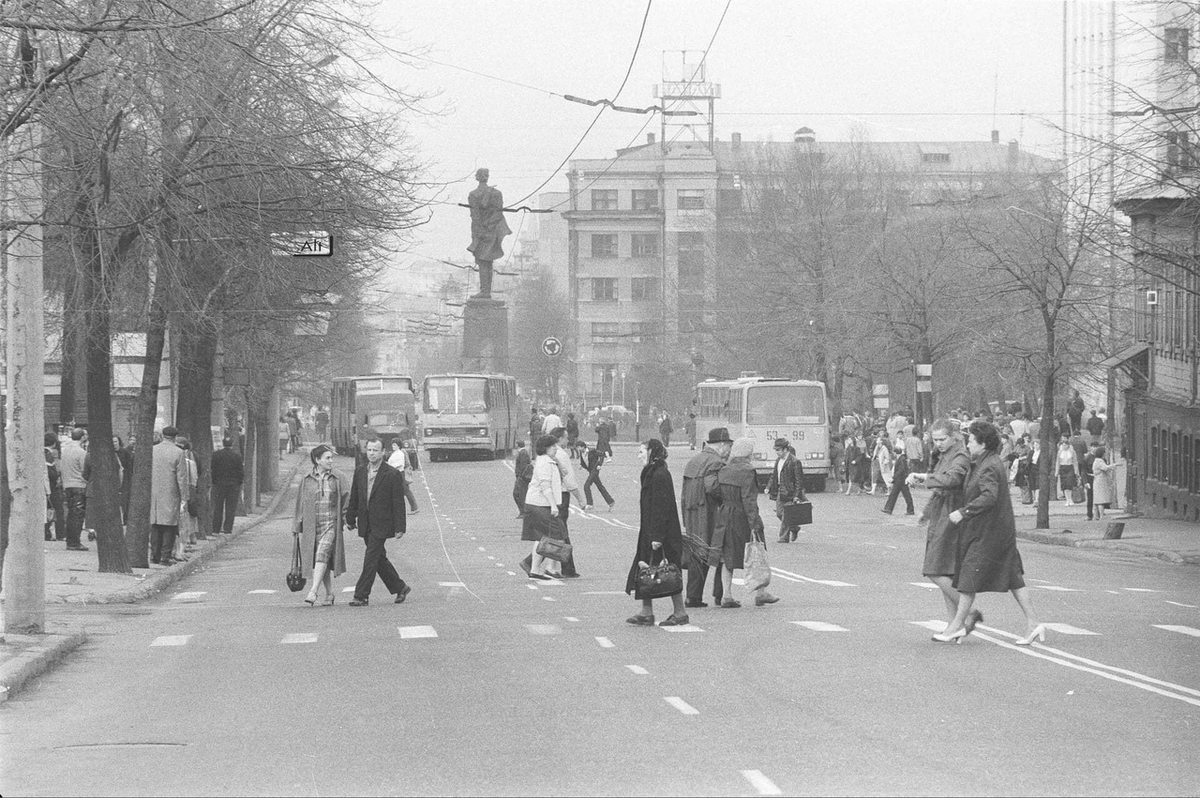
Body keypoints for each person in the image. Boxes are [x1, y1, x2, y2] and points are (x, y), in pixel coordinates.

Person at [935, 420, 1043, 645]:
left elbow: (989, 496)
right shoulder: (986, 462)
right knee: (1014, 578)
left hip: (989, 532)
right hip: (997, 530)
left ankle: (957, 626)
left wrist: (963, 512)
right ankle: (1034, 623)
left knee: (967, 579)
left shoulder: (989, 465)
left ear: (983, 443)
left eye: (972, 441)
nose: (968, 445)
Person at [906, 419, 971, 627]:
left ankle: (969, 613)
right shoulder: (943, 454)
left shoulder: (960, 455)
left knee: (934, 569)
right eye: (935, 440)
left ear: (953, 436)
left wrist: (925, 477)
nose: (939, 443)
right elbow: (939, 487)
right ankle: (954, 624)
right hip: (942, 511)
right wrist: (926, 512)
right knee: (945, 571)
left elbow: (952, 479)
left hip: (952, 514)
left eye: (942, 439)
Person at [625, 438, 690, 627]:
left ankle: (680, 612)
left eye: (641, 452)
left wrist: (657, 537)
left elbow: (662, 507)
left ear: (652, 452)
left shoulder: (659, 474)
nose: (638, 456)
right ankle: (646, 612)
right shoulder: (652, 472)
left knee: (669, 571)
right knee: (646, 569)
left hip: (661, 533)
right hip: (650, 530)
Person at [712, 437, 778, 608]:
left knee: (727, 555)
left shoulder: (724, 469)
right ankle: (761, 593)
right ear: (748, 452)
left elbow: (716, 492)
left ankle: (727, 595)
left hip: (725, 514)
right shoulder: (747, 471)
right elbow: (749, 499)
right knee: (757, 551)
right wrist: (754, 523)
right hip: (742, 516)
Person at [346, 438, 412, 607]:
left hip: (382, 523)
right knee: (378, 558)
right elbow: (355, 496)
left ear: (383, 452)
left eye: (376, 450)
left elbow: (398, 502)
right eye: (369, 450)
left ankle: (361, 595)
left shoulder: (391, 474)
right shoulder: (360, 471)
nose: (372, 453)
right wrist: (350, 517)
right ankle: (400, 587)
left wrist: (400, 527)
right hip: (365, 522)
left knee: (370, 558)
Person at [681, 427, 732, 609]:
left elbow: (684, 494)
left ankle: (693, 596)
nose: (729, 451)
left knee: (697, 553)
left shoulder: (693, 461)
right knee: (720, 550)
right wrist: (726, 498)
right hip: (709, 514)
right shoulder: (715, 462)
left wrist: (685, 518)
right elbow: (713, 487)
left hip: (691, 513)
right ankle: (720, 595)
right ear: (721, 445)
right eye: (728, 446)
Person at [293, 444, 349, 606]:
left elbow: (346, 499)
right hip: (312, 526)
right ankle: (330, 593)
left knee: (322, 555)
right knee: (321, 558)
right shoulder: (307, 479)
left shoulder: (338, 478)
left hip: (331, 524)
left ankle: (313, 591)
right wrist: (296, 525)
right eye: (327, 458)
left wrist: (347, 519)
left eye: (332, 457)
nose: (331, 461)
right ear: (317, 460)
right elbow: (300, 503)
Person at [466, 167, 512, 299]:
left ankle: (485, 291)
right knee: (488, 261)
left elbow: (474, 217)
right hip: (493, 231)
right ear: (487, 177)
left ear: (477, 177)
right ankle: (486, 291)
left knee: (482, 261)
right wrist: (489, 226)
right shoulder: (496, 193)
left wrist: (478, 234)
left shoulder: (473, 194)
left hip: (481, 231)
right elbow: (498, 213)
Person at [522, 434, 564, 580]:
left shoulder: (546, 461)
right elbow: (545, 487)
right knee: (552, 536)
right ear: (545, 448)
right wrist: (554, 506)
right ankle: (542, 568)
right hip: (540, 504)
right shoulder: (545, 463)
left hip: (537, 503)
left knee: (540, 538)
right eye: (553, 446)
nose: (556, 448)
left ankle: (536, 570)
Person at [150, 426, 190, 566]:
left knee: (155, 524)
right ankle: (165, 557)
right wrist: (184, 497)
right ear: (175, 437)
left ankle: (154, 555)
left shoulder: (153, 450)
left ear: (163, 435)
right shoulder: (178, 452)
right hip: (171, 492)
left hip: (154, 493)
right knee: (170, 526)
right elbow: (182, 478)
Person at [550, 427, 586, 577]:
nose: (568, 440)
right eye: (565, 438)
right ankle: (567, 568)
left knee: (557, 532)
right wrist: (581, 499)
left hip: (551, 496)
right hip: (562, 496)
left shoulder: (548, 453)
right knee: (562, 533)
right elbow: (569, 481)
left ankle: (567, 567)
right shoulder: (562, 455)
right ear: (559, 439)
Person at [767, 438, 806, 544]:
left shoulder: (794, 461)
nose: (776, 452)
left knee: (786, 515)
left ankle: (783, 537)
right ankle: (794, 528)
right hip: (780, 490)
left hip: (791, 492)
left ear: (785, 449)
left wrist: (797, 495)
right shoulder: (778, 461)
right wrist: (769, 486)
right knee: (779, 513)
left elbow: (799, 480)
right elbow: (774, 475)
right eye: (776, 450)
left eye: (778, 450)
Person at [59, 427, 90, 551]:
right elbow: (84, 470)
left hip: (68, 485)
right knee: (77, 515)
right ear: (82, 437)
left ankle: (70, 540)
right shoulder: (81, 452)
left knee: (71, 514)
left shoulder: (65, 451)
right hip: (79, 485)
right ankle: (74, 542)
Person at [211, 437, 244, 535]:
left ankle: (216, 528)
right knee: (230, 507)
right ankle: (228, 528)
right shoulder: (237, 456)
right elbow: (240, 471)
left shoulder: (216, 455)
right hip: (233, 485)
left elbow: (213, 469)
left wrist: (214, 481)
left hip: (219, 484)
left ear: (223, 443)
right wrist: (239, 482)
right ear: (232, 444)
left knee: (218, 507)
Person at [175, 435, 199, 558]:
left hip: (184, 492)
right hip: (185, 491)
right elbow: (194, 479)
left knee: (186, 517)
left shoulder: (189, 462)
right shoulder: (189, 462)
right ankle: (186, 541)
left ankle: (185, 542)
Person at [881, 440, 915, 515]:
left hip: (900, 480)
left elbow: (901, 470)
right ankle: (909, 510)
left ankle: (889, 508)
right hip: (901, 480)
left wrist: (893, 478)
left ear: (895, 453)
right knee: (903, 495)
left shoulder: (901, 459)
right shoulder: (902, 458)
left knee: (897, 495)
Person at [580, 440, 615, 511]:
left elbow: (601, 455)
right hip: (591, 471)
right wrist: (581, 465)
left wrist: (599, 464)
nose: (578, 449)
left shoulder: (592, 451)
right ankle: (610, 501)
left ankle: (590, 504)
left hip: (595, 470)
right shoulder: (582, 453)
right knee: (600, 486)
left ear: (583, 447)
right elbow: (584, 462)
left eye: (579, 447)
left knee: (586, 486)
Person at [387, 439, 419, 514]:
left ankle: (414, 508)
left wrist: (389, 466)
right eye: (392, 445)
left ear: (398, 445)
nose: (393, 446)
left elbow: (401, 464)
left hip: (399, 474)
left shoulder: (400, 453)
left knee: (405, 491)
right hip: (396, 473)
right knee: (403, 491)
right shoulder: (395, 453)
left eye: (395, 445)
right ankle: (413, 508)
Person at [44, 432, 66, 542]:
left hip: (44, 487)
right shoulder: (49, 455)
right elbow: (52, 473)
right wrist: (57, 475)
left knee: (46, 509)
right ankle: (60, 534)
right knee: (58, 510)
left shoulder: (40, 453)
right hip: (52, 487)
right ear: (53, 443)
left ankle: (46, 533)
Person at [1092, 445, 1115, 520]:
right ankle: (1101, 515)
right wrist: (1113, 465)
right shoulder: (1099, 461)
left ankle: (1095, 516)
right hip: (1101, 482)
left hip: (1097, 481)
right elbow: (1105, 468)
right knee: (1101, 500)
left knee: (1096, 500)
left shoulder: (1096, 460)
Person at [115, 435, 134, 526]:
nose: (114, 444)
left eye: (115, 441)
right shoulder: (109, 453)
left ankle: (125, 519)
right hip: (114, 479)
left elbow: (129, 465)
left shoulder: (124, 452)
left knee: (125, 501)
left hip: (124, 478)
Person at [512, 439, 533, 518]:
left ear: (517, 444)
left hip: (522, 478)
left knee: (519, 494)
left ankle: (524, 512)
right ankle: (523, 511)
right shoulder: (522, 452)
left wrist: (521, 476)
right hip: (521, 477)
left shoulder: (523, 453)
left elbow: (523, 466)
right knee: (518, 494)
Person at [1057, 438, 1079, 506]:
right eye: (1063, 445)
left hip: (1070, 467)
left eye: (1065, 445)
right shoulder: (1060, 452)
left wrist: (1076, 471)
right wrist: (1056, 471)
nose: (1064, 446)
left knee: (1070, 483)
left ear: (1068, 445)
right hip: (1063, 468)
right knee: (1064, 485)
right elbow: (1057, 462)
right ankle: (1067, 499)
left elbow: (1075, 461)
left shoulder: (1072, 451)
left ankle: (1071, 499)